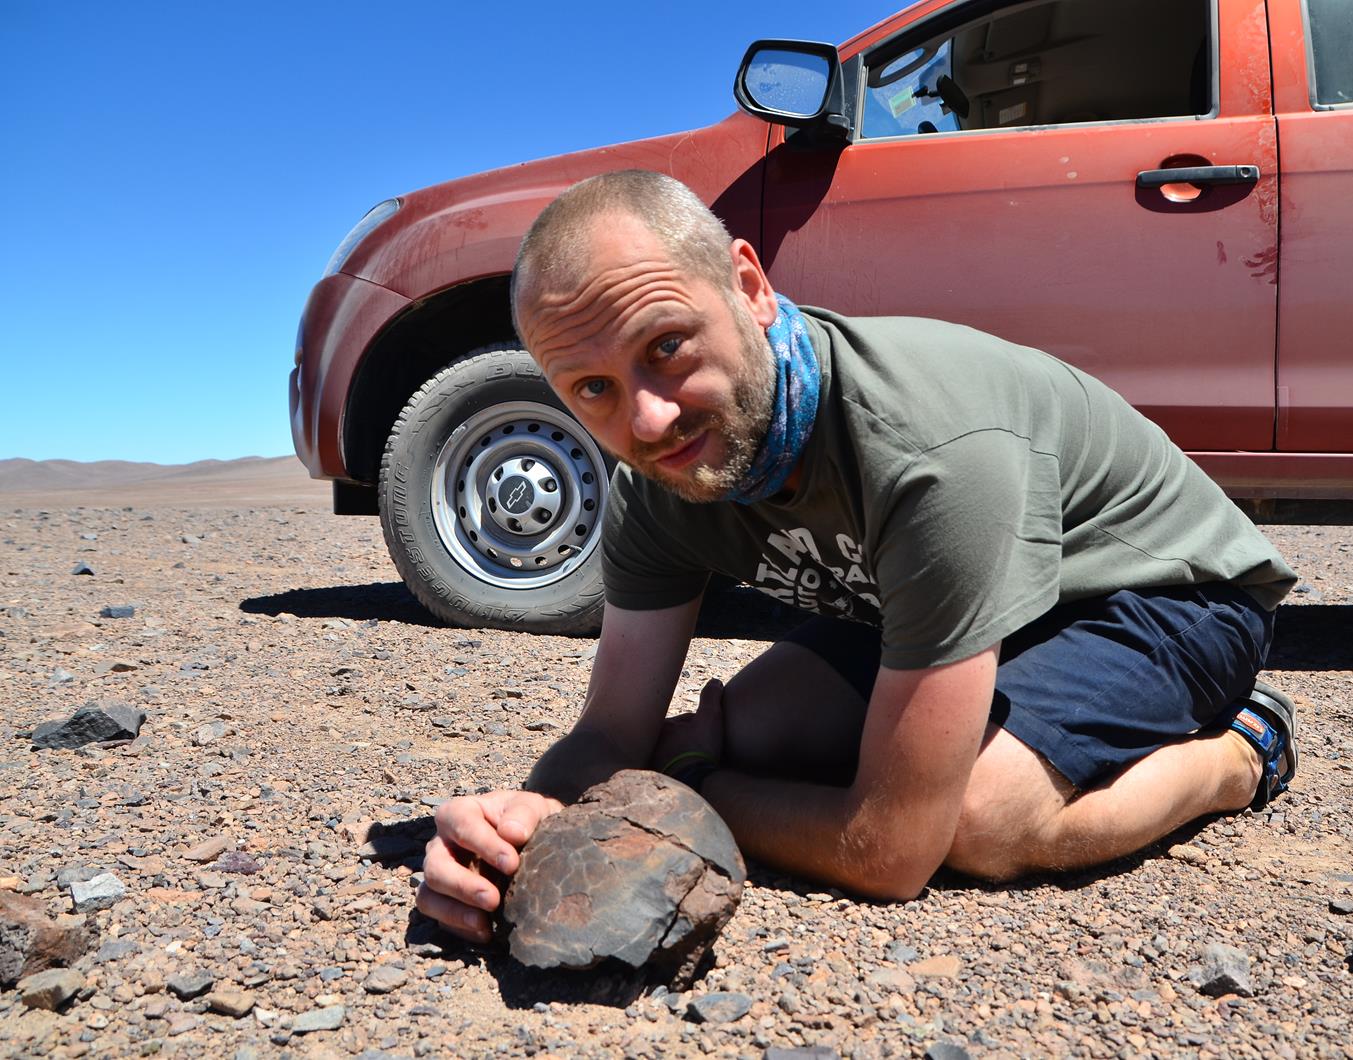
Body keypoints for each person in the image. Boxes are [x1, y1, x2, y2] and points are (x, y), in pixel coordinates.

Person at [415, 170, 1300, 944]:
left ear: (750, 287)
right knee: (754, 733)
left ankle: (1242, 752)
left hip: (1163, 594)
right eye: (594, 390)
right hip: (945, 596)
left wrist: (676, 790)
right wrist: (521, 829)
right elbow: (611, 733)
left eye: (667, 346)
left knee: (977, 824)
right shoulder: (656, 486)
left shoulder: (925, 447)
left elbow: (887, 855)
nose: (647, 422)